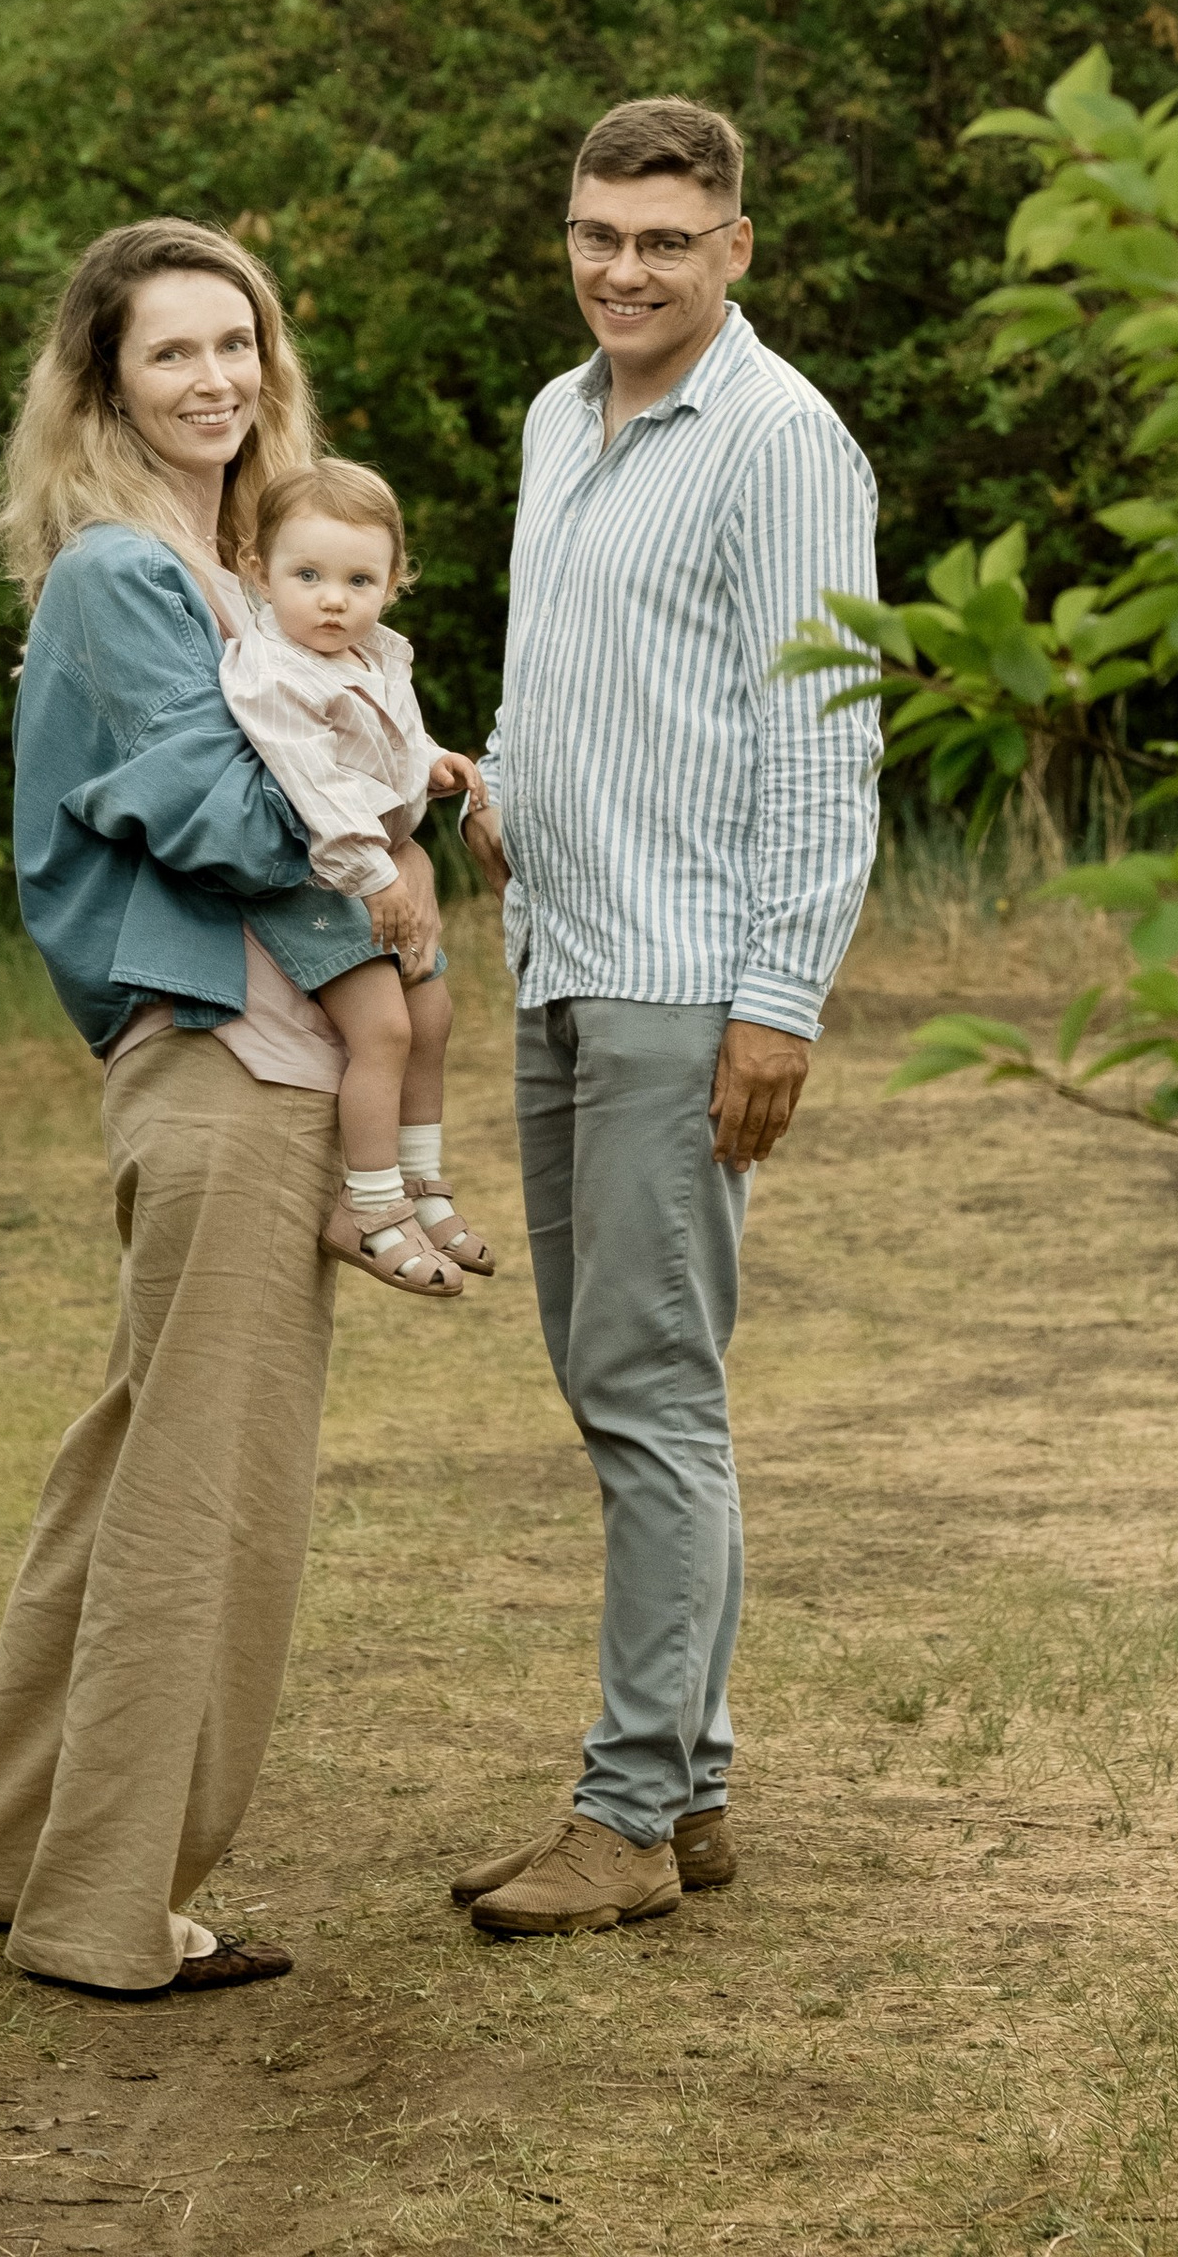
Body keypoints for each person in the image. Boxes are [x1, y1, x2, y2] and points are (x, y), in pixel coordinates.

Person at [0, 217, 446, 1998]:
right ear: (103, 384)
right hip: (231, 1060)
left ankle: (3, 1863)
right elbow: (213, 813)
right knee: (205, 1500)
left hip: (229, 1054)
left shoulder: (243, 578)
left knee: (136, 1456)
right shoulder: (127, 576)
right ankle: (99, 1914)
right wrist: (382, 915)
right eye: (171, 353)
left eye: (239, 345)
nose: (214, 379)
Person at [449, 96, 880, 1939]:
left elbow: (825, 735)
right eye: (596, 235)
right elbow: (590, 685)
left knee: (651, 1393)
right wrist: (486, 797)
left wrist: (776, 1002)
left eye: (663, 241)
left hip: (685, 982)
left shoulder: (785, 443)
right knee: (626, 1382)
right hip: (560, 951)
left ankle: (626, 1817)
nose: (623, 269)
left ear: (736, 250)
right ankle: (688, 1784)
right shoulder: (562, 416)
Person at [222, 454, 497, 1293]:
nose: (333, 598)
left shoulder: (375, 654)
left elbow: (389, 746)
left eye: (358, 579)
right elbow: (316, 784)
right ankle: (371, 1204)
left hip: (376, 871)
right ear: (257, 571)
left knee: (434, 1013)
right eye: (307, 576)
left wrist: (430, 765)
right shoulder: (269, 671)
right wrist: (379, 872)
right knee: (381, 1031)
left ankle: (420, 1180)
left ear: (394, 581)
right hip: (319, 878)